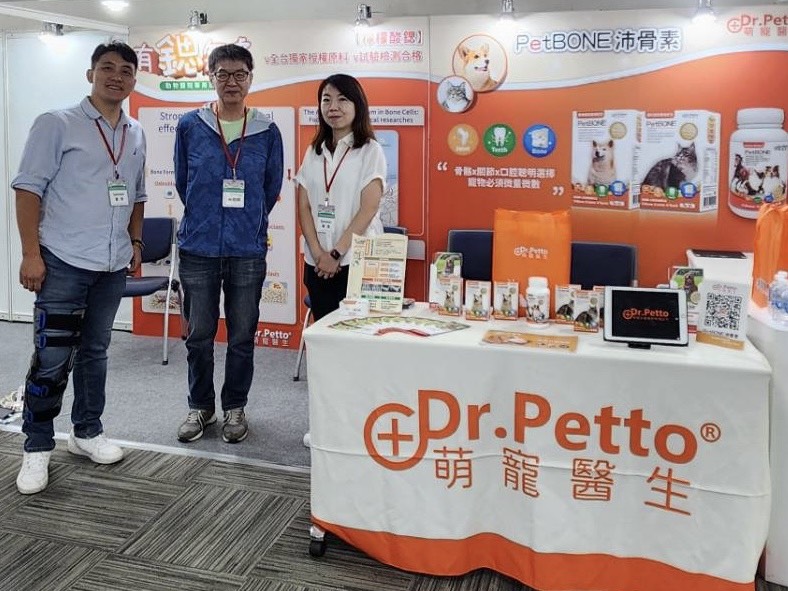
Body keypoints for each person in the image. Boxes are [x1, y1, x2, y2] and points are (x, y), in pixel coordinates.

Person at [12, 41, 146, 494]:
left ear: (134, 80)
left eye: (126, 70)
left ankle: (87, 431)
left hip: (111, 263)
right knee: (52, 354)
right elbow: (28, 189)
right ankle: (37, 444)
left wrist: (135, 242)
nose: (116, 76)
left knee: (95, 352)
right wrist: (31, 253)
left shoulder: (136, 132)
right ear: (90, 74)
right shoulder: (57, 123)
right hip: (63, 259)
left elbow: (136, 195)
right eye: (107, 68)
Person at [174, 44, 283, 444]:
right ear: (211, 77)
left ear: (251, 79)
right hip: (198, 247)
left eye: (240, 74)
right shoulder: (191, 125)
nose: (231, 82)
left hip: (246, 250)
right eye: (223, 74)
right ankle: (200, 407)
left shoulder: (267, 131)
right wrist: (207, 216)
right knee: (198, 335)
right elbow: (184, 182)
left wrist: (245, 222)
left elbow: (270, 187)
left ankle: (235, 406)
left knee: (241, 335)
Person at [295, 74, 386, 321]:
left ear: (358, 105)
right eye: (326, 100)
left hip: (356, 263)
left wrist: (335, 254)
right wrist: (319, 254)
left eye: (342, 99)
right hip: (317, 264)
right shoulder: (314, 151)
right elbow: (304, 206)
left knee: (356, 335)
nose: (333, 107)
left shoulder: (370, 150)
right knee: (324, 333)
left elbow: (369, 208)